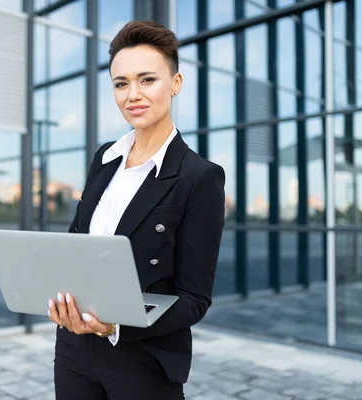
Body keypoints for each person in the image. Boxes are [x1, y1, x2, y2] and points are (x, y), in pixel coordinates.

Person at [47, 20, 226, 399]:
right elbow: (77, 247)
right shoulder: (105, 159)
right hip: (75, 350)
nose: (133, 94)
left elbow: (195, 301)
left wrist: (114, 326)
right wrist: (60, 296)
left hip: (145, 359)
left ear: (175, 84)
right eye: (121, 83)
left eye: (147, 80)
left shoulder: (199, 177)